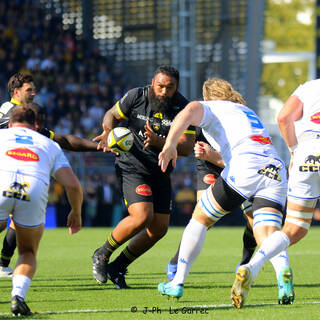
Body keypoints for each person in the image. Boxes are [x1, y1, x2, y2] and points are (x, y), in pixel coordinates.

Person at [157, 78, 292, 307]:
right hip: (275, 168)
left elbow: (189, 110)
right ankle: (283, 276)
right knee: (267, 232)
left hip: (246, 166)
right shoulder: (246, 110)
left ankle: (177, 282)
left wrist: (170, 143)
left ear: (207, 97)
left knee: (200, 218)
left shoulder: (211, 107)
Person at [92, 65, 196, 289]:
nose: (164, 91)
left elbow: (187, 147)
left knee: (159, 228)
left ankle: (118, 266)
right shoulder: (136, 96)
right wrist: (108, 131)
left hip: (160, 170)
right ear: (152, 82)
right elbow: (111, 114)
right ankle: (103, 253)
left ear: (177, 87)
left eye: (169, 87)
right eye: (160, 86)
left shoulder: (184, 107)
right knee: (142, 217)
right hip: (133, 166)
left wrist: (160, 143)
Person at [228, 78, 320, 308]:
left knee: (293, 229)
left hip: (306, 153)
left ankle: (253, 266)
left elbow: (283, 118)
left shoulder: (309, 87)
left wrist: (294, 151)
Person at [0, 73, 99, 278]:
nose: (34, 93)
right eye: (29, 90)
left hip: (19, 172)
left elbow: (62, 139)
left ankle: (2, 264)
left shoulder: (27, 118)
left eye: (34, 89)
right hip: (7, 169)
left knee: (16, 219)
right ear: (16, 92)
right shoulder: (10, 113)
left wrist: (98, 146)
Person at [0, 107, 82, 315]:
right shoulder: (49, 144)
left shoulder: (2, 135)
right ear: (36, 126)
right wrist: (76, 213)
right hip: (33, 191)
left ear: (9, 124)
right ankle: (18, 297)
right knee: (27, 251)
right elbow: (73, 185)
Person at [166, 129, 257, 281]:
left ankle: (244, 264)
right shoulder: (201, 113)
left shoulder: (239, 118)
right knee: (203, 218)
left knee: (255, 220)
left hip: (237, 167)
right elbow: (187, 142)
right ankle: (176, 262)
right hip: (209, 167)